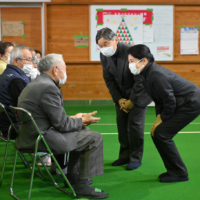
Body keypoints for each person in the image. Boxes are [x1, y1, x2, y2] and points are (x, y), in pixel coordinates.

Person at [16, 53, 109, 199]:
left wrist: (76, 119)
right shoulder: (48, 88)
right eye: (64, 68)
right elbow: (62, 124)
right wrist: (82, 120)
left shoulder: (37, 83)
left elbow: (50, 117)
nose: (66, 72)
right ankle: (82, 185)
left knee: (82, 130)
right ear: (56, 69)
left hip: (31, 133)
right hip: (42, 137)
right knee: (94, 137)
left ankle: (72, 176)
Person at [127, 44, 200, 183]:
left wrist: (162, 119)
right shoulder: (146, 73)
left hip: (191, 102)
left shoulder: (155, 74)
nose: (129, 65)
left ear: (143, 60)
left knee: (162, 134)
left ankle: (179, 173)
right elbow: (159, 100)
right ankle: (174, 170)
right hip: (181, 102)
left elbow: (169, 100)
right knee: (158, 133)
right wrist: (158, 119)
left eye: (131, 61)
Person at [96, 28, 152, 170]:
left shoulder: (131, 52)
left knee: (135, 125)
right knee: (122, 125)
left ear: (116, 39)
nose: (103, 48)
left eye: (106, 44)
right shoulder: (103, 55)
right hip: (121, 95)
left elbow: (140, 80)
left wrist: (131, 101)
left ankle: (136, 157)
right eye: (100, 45)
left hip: (139, 94)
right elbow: (108, 79)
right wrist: (119, 99)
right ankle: (124, 156)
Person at [0, 45, 32, 139]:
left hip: (6, 125)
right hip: (16, 127)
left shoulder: (7, 75)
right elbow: (28, 106)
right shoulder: (16, 80)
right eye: (28, 60)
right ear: (16, 61)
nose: (31, 63)